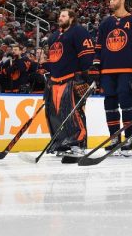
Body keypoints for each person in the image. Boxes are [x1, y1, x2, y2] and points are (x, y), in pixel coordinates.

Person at [92, 0, 132, 156]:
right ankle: (114, 138)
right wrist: (96, 66)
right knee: (109, 103)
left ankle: (130, 137)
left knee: (126, 101)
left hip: (127, 69)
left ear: (122, 0)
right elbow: (98, 47)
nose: (111, 1)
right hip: (107, 70)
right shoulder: (105, 23)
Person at [41, 9, 95, 159]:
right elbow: (53, 59)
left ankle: (78, 144)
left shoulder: (78, 31)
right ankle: (61, 142)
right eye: (59, 15)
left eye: (63, 15)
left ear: (71, 18)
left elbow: (87, 54)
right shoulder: (53, 37)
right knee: (56, 114)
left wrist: (87, 76)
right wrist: (48, 74)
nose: (60, 18)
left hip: (72, 79)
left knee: (73, 113)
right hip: (55, 81)